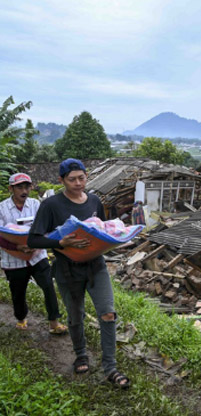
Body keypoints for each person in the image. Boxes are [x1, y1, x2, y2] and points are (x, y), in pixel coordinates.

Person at [28, 159, 130, 389]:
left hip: (96, 267)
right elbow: (33, 239)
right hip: (67, 269)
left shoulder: (94, 200)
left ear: (87, 176)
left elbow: (102, 230)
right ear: (61, 180)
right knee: (75, 317)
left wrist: (114, 241)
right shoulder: (51, 205)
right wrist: (59, 241)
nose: (77, 183)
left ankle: (110, 367)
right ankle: (81, 355)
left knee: (108, 313)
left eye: (81, 178)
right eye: (72, 179)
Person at [0, 173, 67, 334]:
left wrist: (36, 245)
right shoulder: (2, 208)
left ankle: (54, 322)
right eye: (19, 187)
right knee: (18, 291)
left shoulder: (36, 204)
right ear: (11, 188)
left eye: (27, 187)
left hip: (38, 256)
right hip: (13, 258)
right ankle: (21, 318)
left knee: (48, 286)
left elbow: (45, 227)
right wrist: (18, 248)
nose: (24, 191)